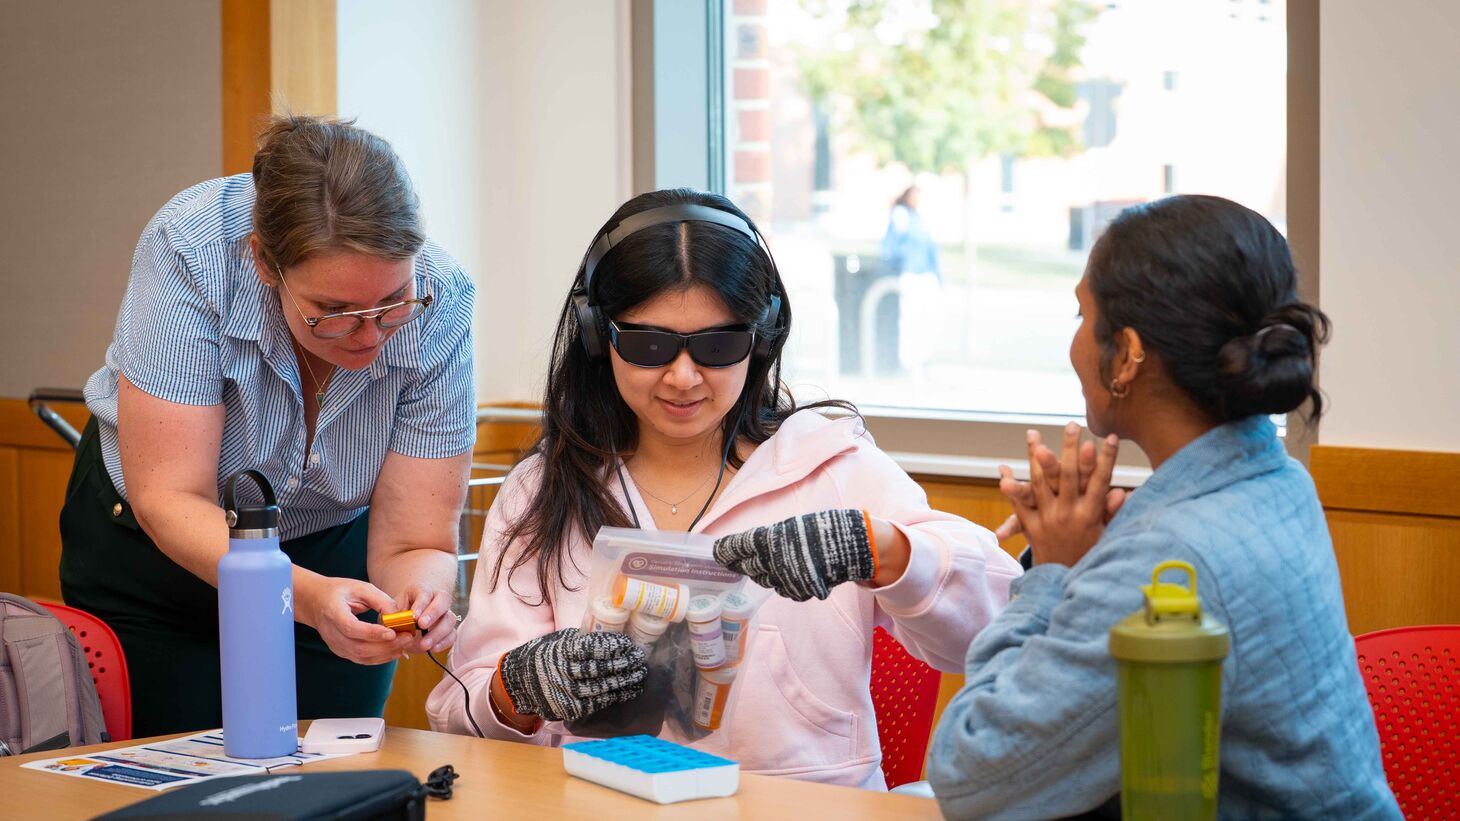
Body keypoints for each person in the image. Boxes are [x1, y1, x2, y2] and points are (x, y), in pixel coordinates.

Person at [428, 188, 1020, 788]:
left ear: (761, 337)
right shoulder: (542, 491)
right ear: (595, 334)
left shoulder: (832, 469)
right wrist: (519, 688)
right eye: (648, 345)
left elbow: (1000, 626)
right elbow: (459, 711)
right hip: (598, 803)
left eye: (717, 346)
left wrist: (884, 549)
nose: (683, 377)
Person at [927, 195, 1400, 818]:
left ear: (1125, 354)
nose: (1072, 343)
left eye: (1080, 313)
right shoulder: (1275, 478)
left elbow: (971, 771)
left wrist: (1051, 576)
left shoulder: (1170, 556)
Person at [60, 116, 476, 737]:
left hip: (328, 550)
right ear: (263, 261)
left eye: (392, 303)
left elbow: (416, 540)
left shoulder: (442, 301)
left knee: (334, 773)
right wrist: (303, 599)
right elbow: (170, 496)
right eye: (332, 312)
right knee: (177, 776)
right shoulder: (192, 249)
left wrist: (422, 600)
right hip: (161, 553)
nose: (370, 335)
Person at [880, 185, 941, 374]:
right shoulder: (901, 216)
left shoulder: (919, 219)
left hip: (925, 275)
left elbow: (931, 249)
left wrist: (938, 275)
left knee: (927, 319)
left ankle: (923, 360)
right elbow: (891, 247)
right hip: (909, 274)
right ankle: (907, 362)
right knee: (909, 318)